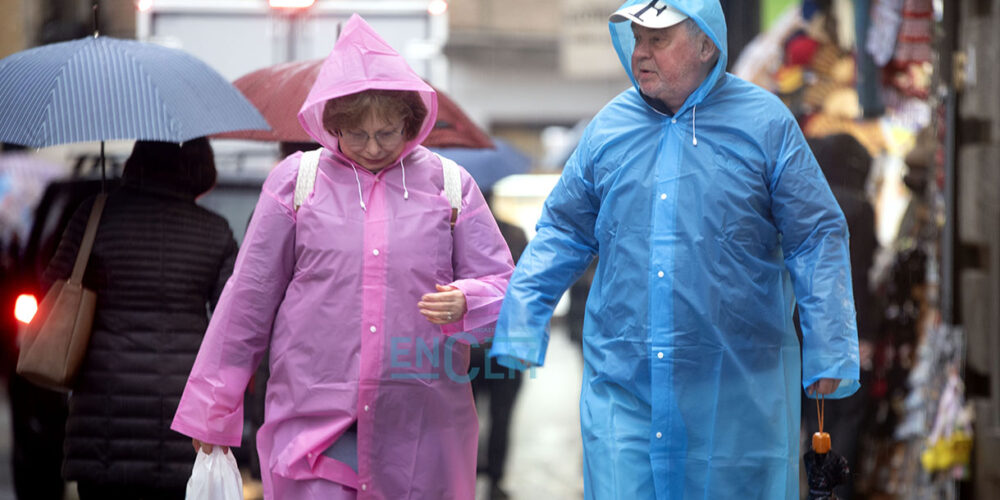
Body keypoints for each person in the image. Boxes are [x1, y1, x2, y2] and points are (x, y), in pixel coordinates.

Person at [488, 1, 861, 498]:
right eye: (637, 39)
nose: (641, 52)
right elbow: (563, 230)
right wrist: (519, 323)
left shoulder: (766, 125)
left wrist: (830, 349)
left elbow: (815, 235)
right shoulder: (607, 130)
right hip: (625, 387)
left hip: (736, 391)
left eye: (658, 39)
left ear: (707, 44)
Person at [171, 14, 513, 500]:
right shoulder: (296, 183)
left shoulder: (450, 185)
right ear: (331, 124)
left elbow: (504, 286)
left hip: (419, 427)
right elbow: (248, 299)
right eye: (357, 134)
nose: (372, 148)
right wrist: (213, 407)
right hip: (313, 423)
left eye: (387, 133)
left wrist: (468, 300)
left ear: (411, 123)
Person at [41, 138, 237, 500]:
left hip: (102, 413)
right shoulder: (216, 231)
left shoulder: (95, 215)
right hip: (184, 412)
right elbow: (233, 320)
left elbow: (51, 285)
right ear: (199, 168)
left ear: (138, 160)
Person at [801, 133, 878, 500]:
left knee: (810, 420)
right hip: (844, 331)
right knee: (844, 419)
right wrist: (864, 336)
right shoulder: (857, 208)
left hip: (801, 332)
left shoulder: (800, 203)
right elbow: (857, 278)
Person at [468, 191, 528, 500]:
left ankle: (465, 476)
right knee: (503, 415)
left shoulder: (456, 234)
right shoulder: (515, 234)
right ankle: (495, 480)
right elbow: (529, 290)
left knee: (466, 417)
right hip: (508, 344)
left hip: (468, 345)